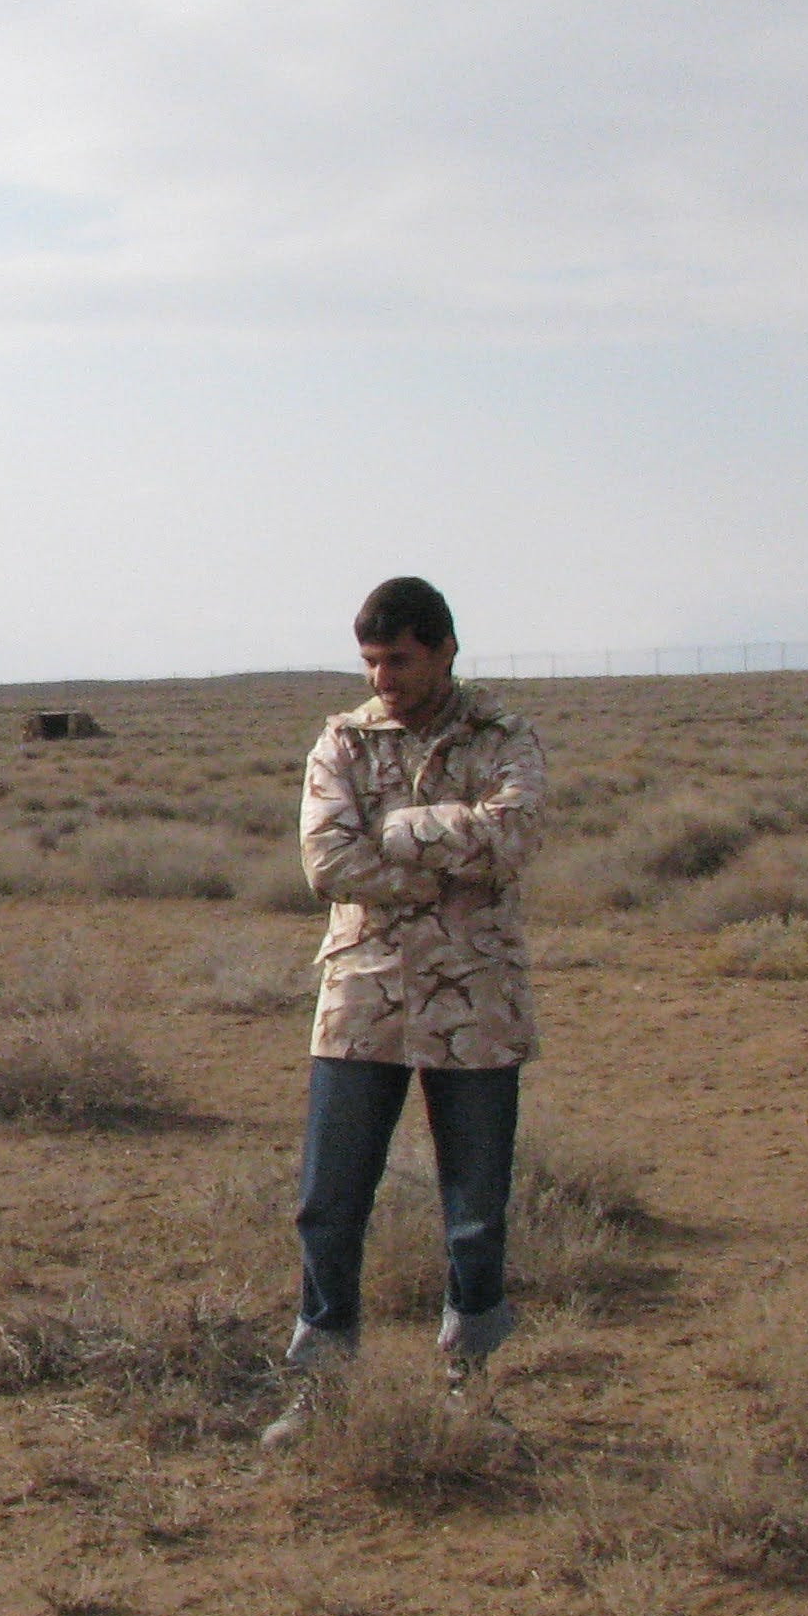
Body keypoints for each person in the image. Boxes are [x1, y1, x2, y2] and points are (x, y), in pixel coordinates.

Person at [261, 576, 547, 1447]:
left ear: (445, 649)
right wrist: (443, 869)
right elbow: (325, 863)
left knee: (476, 1209)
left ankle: (471, 1388)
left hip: (477, 997)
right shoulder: (342, 741)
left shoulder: (503, 736)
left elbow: (515, 838)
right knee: (329, 1200)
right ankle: (321, 1387)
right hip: (364, 995)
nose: (382, 678)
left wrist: (395, 831)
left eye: (399, 660)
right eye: (371, 661)